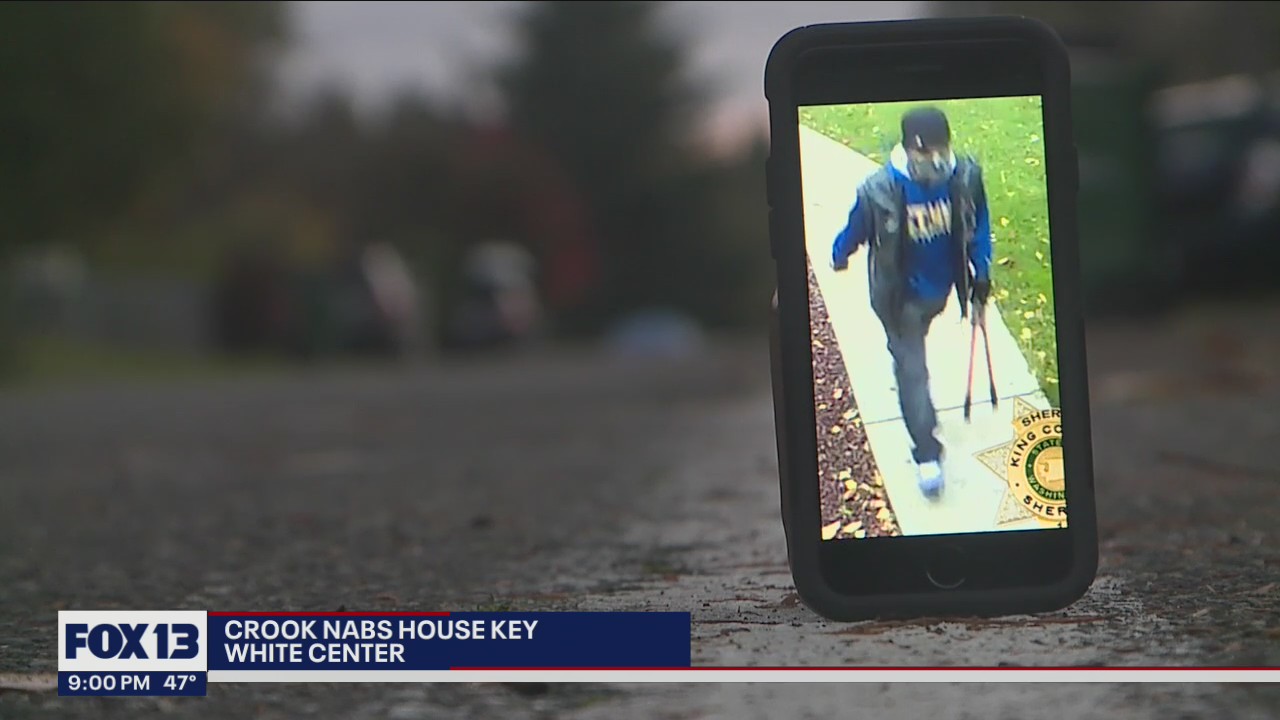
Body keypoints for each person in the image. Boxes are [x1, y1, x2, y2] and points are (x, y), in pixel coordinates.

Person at [830, 106, 993, 499]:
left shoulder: (964, 177)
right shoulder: (879, 190)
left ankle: (924, 426)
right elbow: (855, 229)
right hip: (899, 300)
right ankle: (926, 452)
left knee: (915, 366)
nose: (935, 161)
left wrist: (982, 270)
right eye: (925, 154)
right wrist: (839, 254)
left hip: (939, 292)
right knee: (912, 372)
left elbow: (978, 224)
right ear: (907, 150)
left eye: (940, 151)